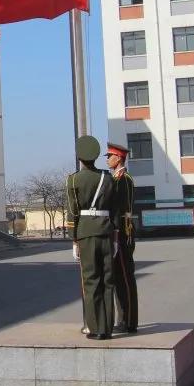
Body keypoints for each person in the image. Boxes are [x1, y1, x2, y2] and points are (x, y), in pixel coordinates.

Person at [67, 135, 120, 340]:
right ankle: (107, 328)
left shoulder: (73, 180)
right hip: (106, 231)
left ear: (80, 157)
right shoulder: (107, 178)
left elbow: (73, 212)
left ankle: (95, 327)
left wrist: (74, 238)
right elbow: (114, 210)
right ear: (96, 156)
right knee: (108, 279)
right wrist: (115, 236)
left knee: (91, 280)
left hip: (86, 233)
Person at [105, 142, 138, 334]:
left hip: (123, 232)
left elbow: (120, 210)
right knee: (119, 277)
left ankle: (128, 320)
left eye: (110, 156)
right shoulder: (117, 178)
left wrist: (117, 235)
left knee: (124, 277)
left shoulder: (123, 179)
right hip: (119, 232)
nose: (108, 159)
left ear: (118, 158)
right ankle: (124, 319)